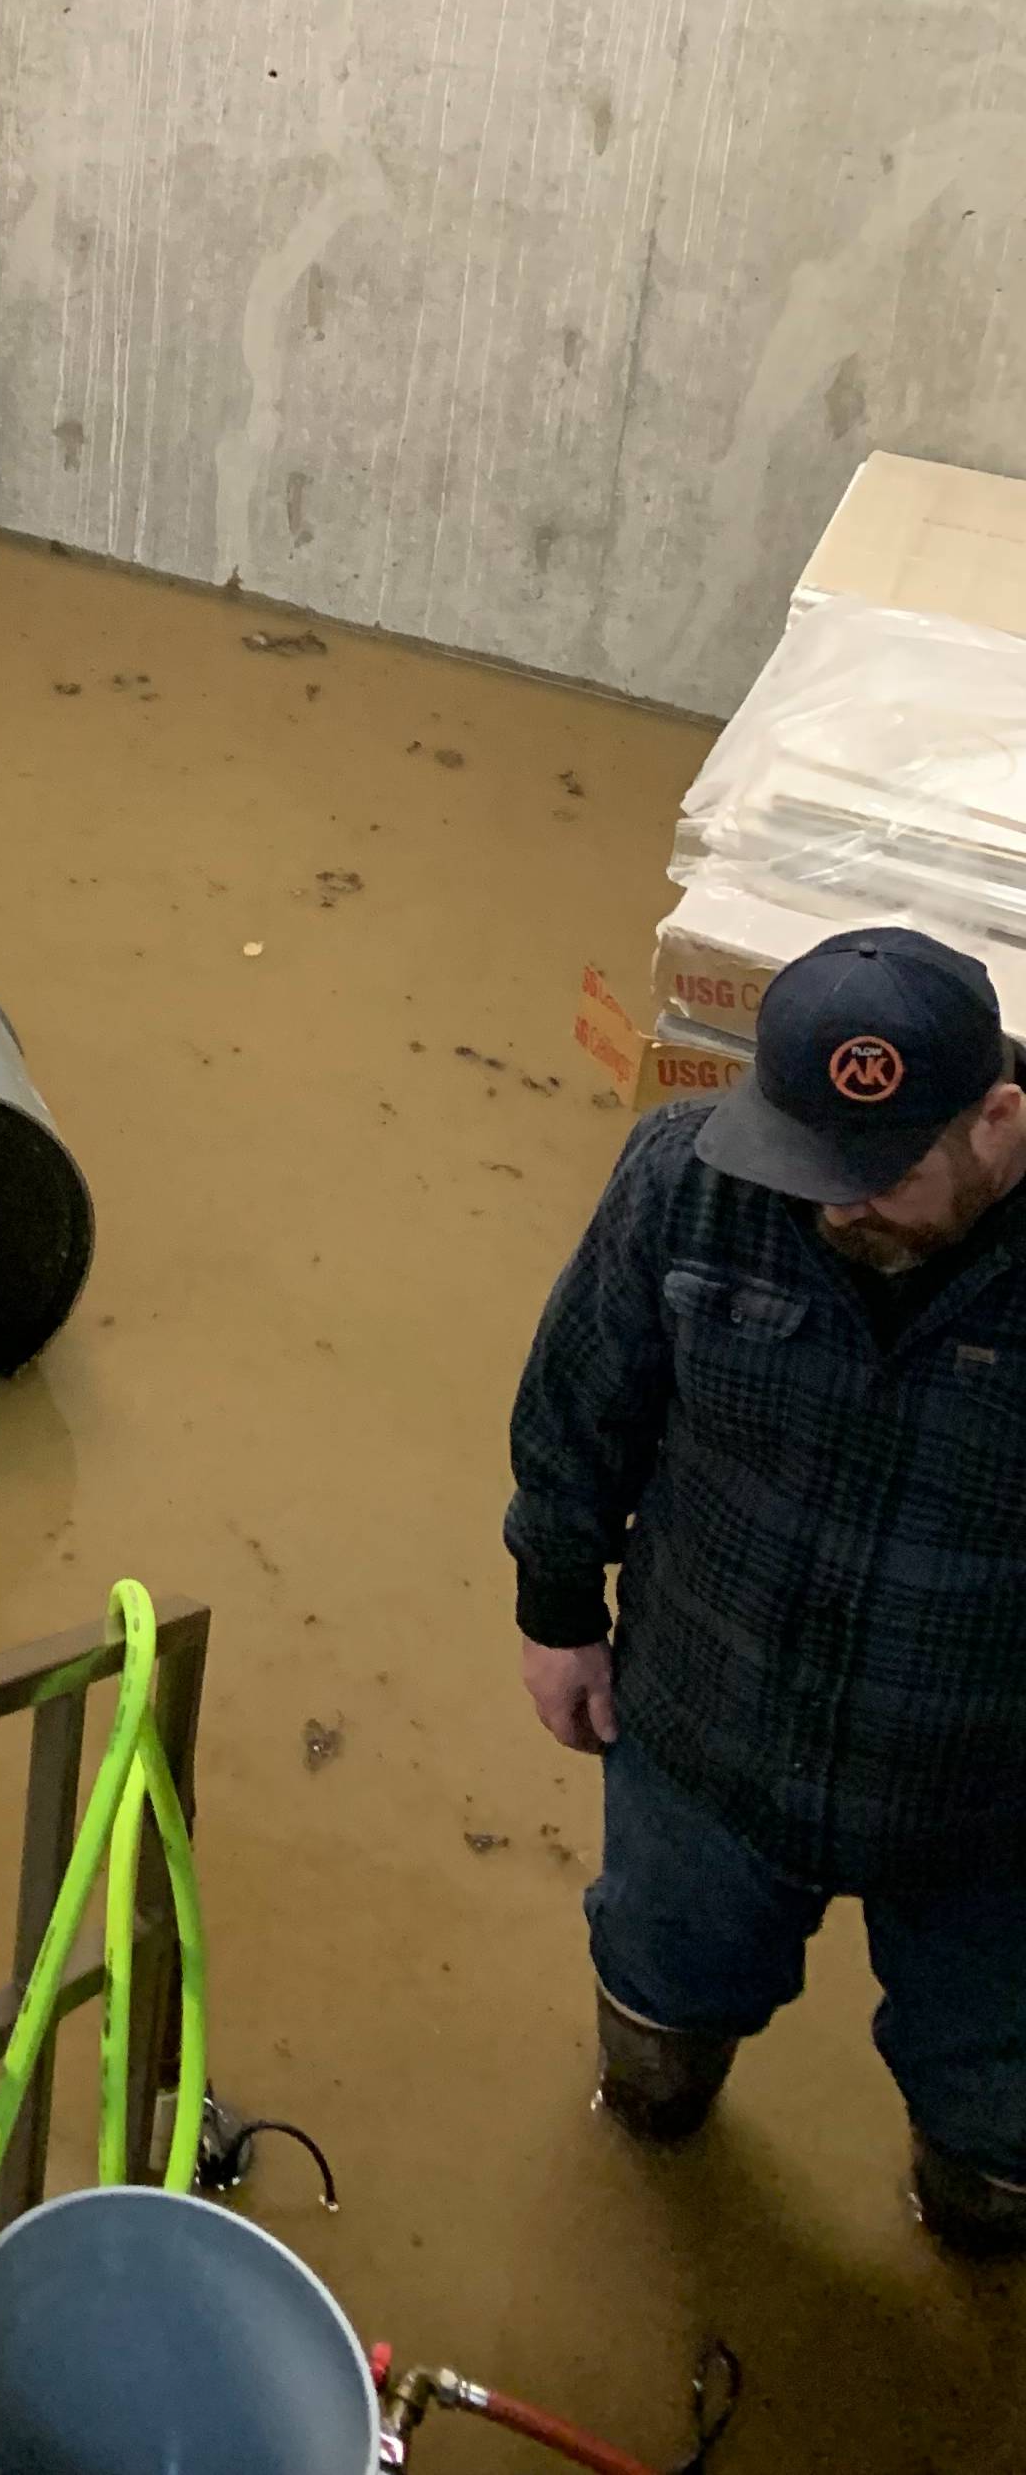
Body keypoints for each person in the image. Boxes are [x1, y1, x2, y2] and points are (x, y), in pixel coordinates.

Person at [507, 925, 1026, 2254]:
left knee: (1001, 2138)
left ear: (1000, 1122)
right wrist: (559, 1608)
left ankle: (975, 2205)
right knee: (656, 2033)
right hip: (706, 1738)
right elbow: (581, 1402)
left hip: (990, 1804)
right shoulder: (688, 1180)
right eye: (811, 1165)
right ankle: (661, 2108)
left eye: (888, 1173)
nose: (838, 1206)